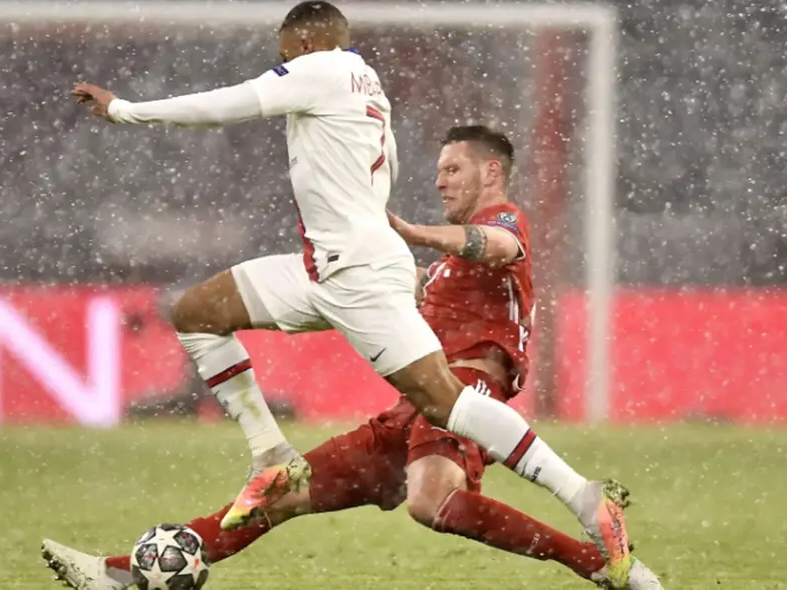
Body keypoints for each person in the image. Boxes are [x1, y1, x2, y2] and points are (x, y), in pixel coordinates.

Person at [71, 2, 631, 584]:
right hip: (325, 267)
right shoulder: (365, 83)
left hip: (355, 272)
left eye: (283, 55)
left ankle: (584, 499)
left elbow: (231, 103)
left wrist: (126, 110)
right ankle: (269, 456)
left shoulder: (325, 68)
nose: (280, 65)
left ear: (303, 43)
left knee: (447, 406)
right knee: (197, 313)